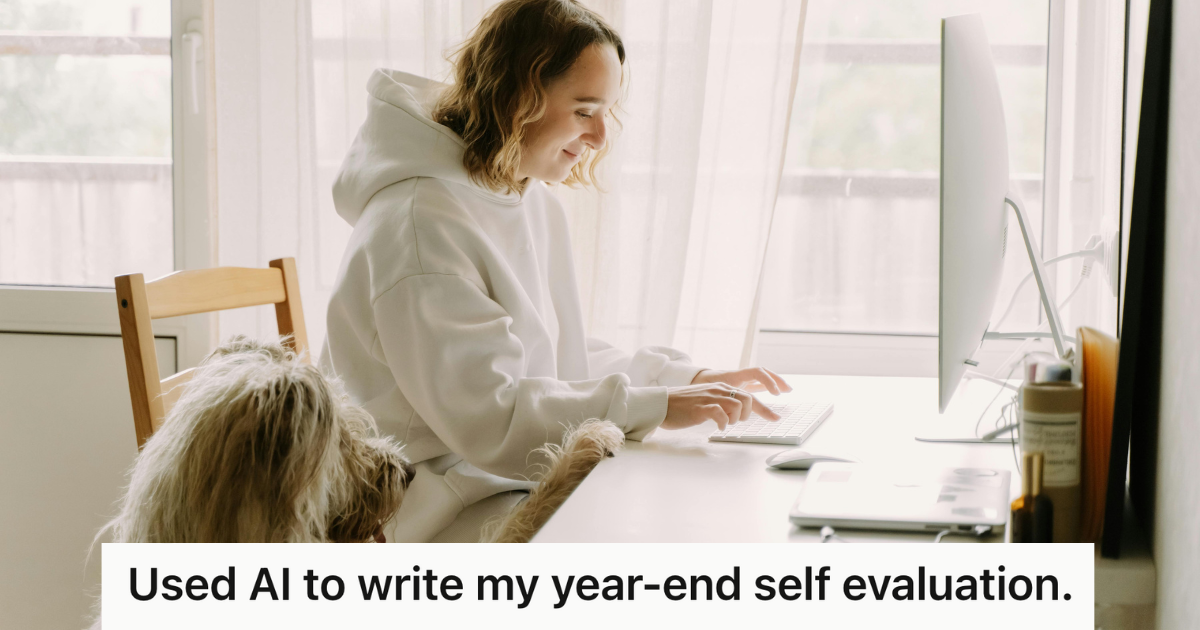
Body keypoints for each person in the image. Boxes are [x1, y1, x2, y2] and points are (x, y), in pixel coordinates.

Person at [321, 0, 791, 543]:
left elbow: (555, 356)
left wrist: (682, 383)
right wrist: (654, 407)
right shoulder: (419, 229)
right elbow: (490, 421)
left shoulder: (521, 194)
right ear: (519, 95)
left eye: (606, 113)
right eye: (585, 110)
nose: (600, 139)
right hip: (417, 508)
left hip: (491, 479)